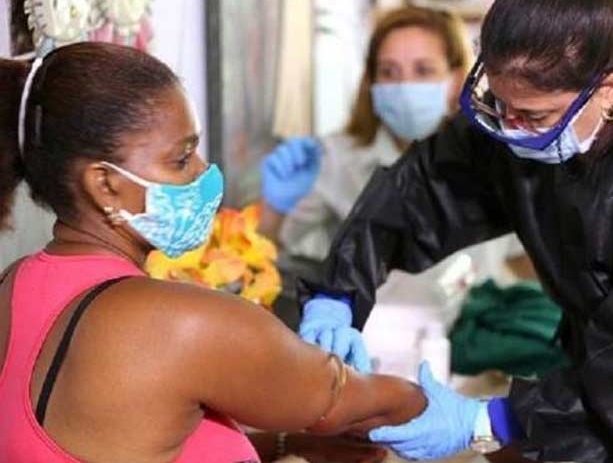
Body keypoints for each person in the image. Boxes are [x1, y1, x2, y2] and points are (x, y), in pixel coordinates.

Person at [295, 0, 613, 461]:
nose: (510, 132)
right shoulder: (528, 106)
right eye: (501, 107)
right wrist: (339, 291)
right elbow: (426, 187)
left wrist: (488, 420)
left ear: (608, 90)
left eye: (533, 117)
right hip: (612, 377)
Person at [0, 42, 427, 463]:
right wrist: (471, 417)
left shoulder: (15, 286)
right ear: (105, 183)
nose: (205, 172)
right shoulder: (178, 323)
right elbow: (365, 403)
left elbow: (133, 440)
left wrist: (288, 445)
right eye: (181, 159)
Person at [258, 6, 530, 371]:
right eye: (389, 72)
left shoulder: (496, 165)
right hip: (362, 358)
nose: (405, 87)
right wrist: (273, 207)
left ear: (456, 79)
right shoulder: (334, 160)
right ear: (371, 83)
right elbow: (265, 257)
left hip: (468, 364)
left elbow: (526, 261)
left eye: (423, 71)